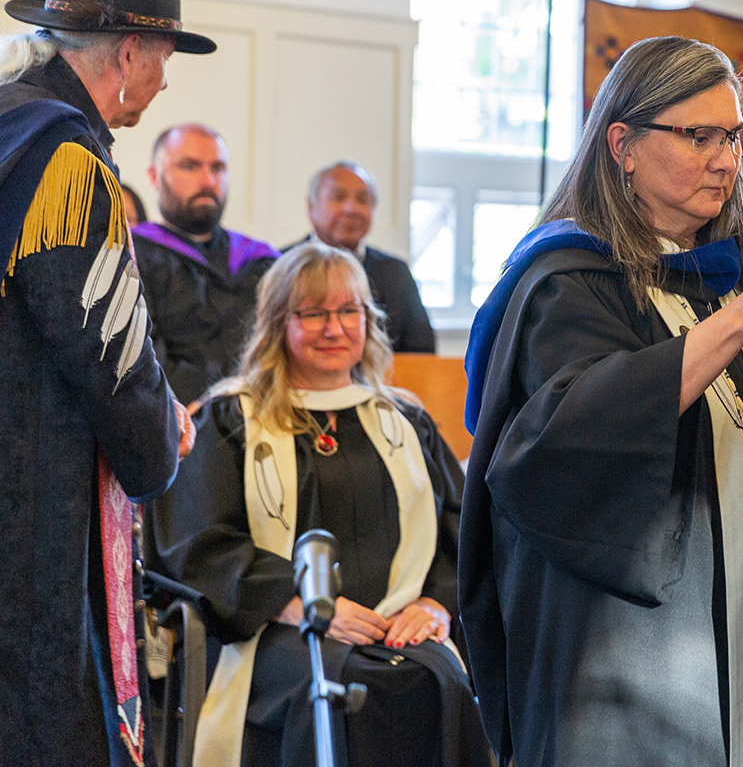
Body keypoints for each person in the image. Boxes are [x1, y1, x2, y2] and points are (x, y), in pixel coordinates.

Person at [459, 35, 743, 766]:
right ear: (623, 145)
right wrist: (738, 321)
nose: (726, 158)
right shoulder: (567, 283)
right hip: (625, 655)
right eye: (699, 135)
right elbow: (564, 444)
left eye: (734, 135)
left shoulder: (734, 275)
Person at [149, 242, 490, 767]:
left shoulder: (404, 422)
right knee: (338, 685)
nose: (334, 329)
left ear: (368, 322)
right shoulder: (232, 419)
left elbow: (463, 530)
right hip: (275, 633)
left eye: (348, 311)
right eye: (313, 314)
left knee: (436, 677)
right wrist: (304, 606)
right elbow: (199, 545)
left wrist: (434, 605)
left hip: (401, 628)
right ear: (278, 324)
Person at [0, 0, 206, 767]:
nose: (163, 82)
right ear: (126, 55)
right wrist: (163, 433)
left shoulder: (11, 128)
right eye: (162, 60)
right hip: (30, 508)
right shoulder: (64, 163)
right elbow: (107, 352)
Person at [133, 123, 279, 404]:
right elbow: (141, 354)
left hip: (263, 412)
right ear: (154, 176)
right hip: (174, 421)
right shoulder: (135, 255)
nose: (208, 181)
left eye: (218, 168)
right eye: (190, 166)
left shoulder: (262, 260)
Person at [286, 160, 435, 353]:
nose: (351, 208)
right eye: (338, 197)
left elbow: (422, 354)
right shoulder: (280, 266)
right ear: (311, 206)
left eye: (363, 199)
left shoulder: (395, 273)